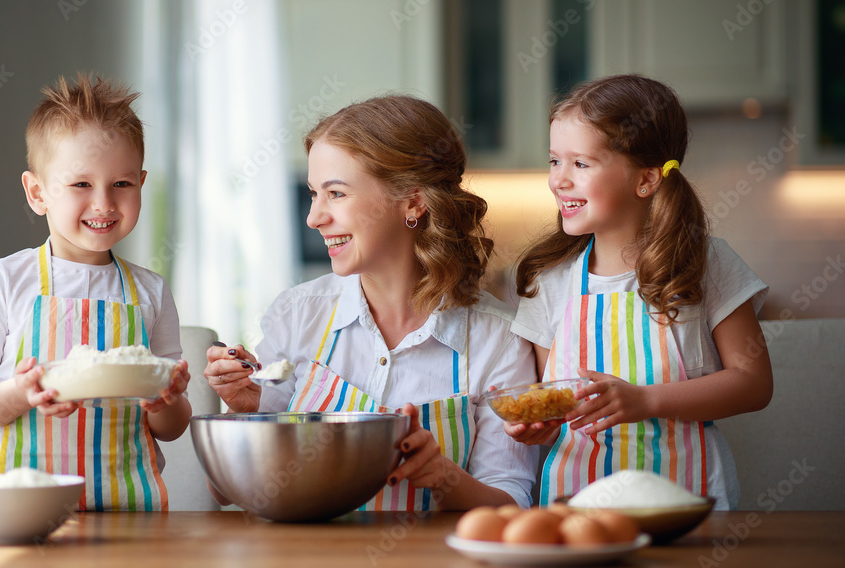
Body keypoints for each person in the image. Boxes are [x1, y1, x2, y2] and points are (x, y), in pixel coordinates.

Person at [205, 95, 539, 510]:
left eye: (337, 194)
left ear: (413, 201)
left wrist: (444, 475)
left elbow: (512, 503)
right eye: (314, 194)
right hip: (305, 565)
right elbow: (235, 491)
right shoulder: (297, 315)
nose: (314, 217)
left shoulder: (499, 338)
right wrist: (245, 409)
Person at [505, 74, 772, 510]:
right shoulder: (548, 281)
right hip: (577, 508)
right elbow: (551, 405)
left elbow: (754, 384)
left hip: (688, 504)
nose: (559, 180)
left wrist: (646, 400)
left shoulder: (706, 264)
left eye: (581, 164)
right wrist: (541, 426)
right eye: (555, 161)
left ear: (645, 180)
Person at [0, 73, 191, 511]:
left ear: (141, 183)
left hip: (132, 516)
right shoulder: (4, 281)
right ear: (37, 192)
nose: (103, 203)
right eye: (81, 184)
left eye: (121, 184)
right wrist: (20, 394)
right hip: (22, 516)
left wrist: (166, 399)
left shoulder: (151, 291)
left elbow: (172, 428)